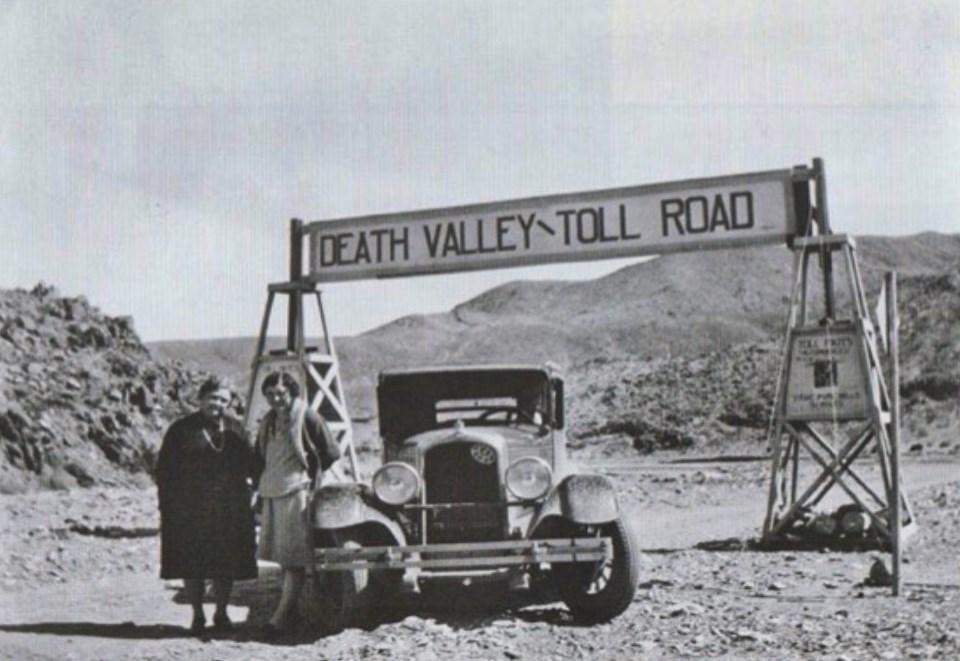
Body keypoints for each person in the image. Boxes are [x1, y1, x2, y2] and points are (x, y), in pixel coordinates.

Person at [156, 376, 261, 636]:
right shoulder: (180, 430)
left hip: (228, 508)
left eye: (224, 400)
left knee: (225, 564)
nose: (218, 404)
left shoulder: (235, 428)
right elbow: (164, 471)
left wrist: (255, 491)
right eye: (213, 398)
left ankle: (221, 612)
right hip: (189, 509)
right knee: (192, 563)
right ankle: (197, 615)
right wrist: (167, 506)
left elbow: (253, 464)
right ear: (201, 398)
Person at [255, 370, 341, 638]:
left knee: (294, 558)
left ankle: (279, 619)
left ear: (292, 392)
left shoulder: (308, 417)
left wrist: (309, 476)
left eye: (280, 393)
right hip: (272, 491)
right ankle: (292, 611)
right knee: (282, 556)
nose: (275, 399)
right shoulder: (268, 420)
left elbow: (331, 452)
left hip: (297, 493)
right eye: (270, 394)